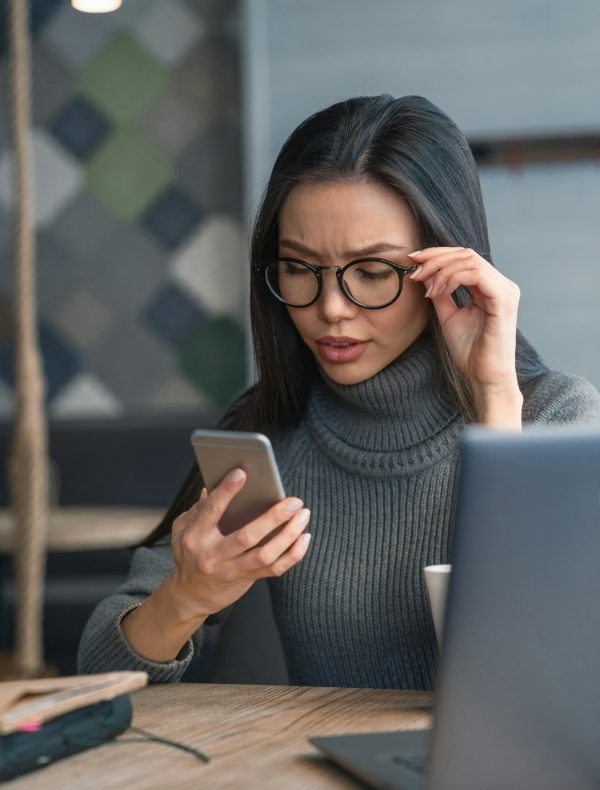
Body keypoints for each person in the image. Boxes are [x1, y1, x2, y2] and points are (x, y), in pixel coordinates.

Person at [78, 95, 600, 689]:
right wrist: (184, 597)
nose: (330, 309)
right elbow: (98, 670)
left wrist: (495, 397)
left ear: (450, 265)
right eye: (300, 268)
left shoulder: (560, 421)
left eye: (373, 273)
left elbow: (546, 663)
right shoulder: (267, 433)